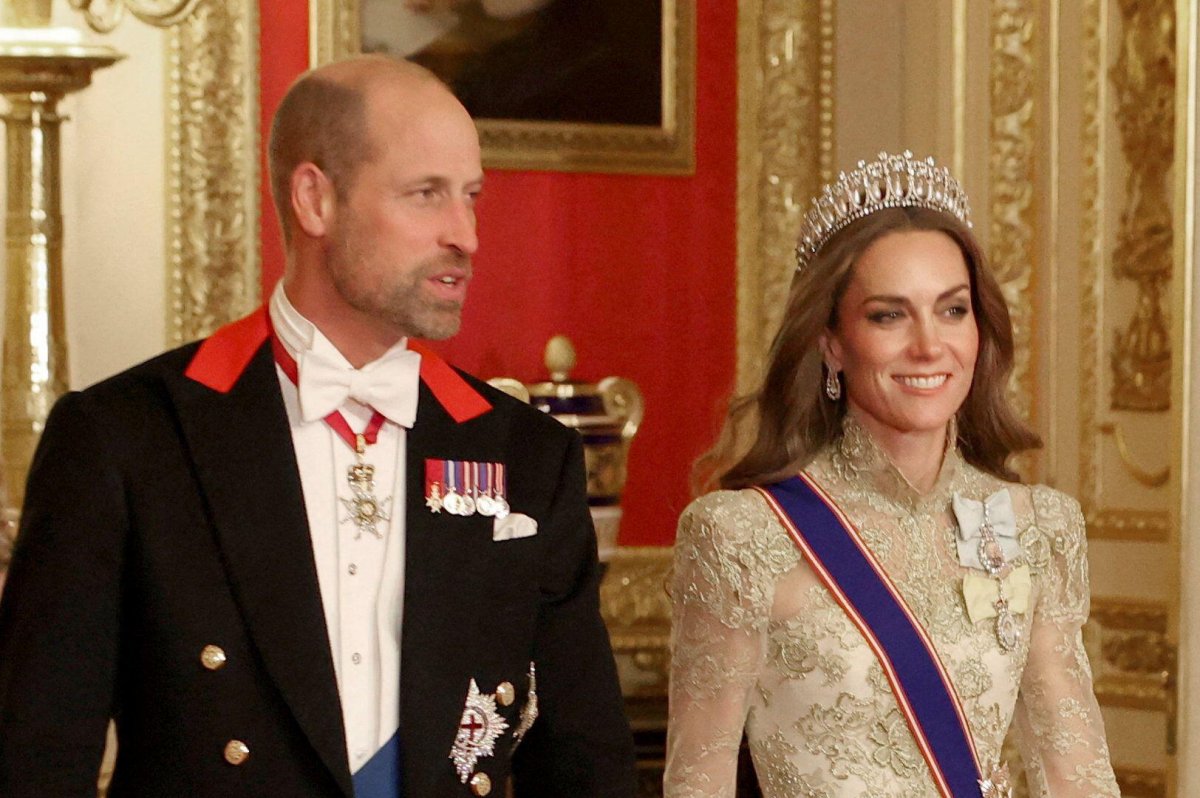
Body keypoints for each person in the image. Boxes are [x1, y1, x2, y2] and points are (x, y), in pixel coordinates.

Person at [0, 56, 635, 797]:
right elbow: (36, 764)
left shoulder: (525, 455)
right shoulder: (127, 439)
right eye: (425, 194)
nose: (466, 235)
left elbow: (588, 770)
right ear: (315, 201)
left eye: (471, 197)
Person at [664, 152, 1119, 797]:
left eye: (953, 310)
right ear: (830, 340)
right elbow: (697, 783)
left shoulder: (1039, 526)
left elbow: (1076, 772)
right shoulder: (740, 538)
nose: (930, 346)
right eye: (889, 315)